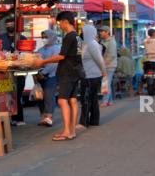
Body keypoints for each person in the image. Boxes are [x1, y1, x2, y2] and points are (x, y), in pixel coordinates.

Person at [35, 11, 84, 141]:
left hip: (67, 73)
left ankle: (67, 131)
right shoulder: (78, 37)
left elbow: (61, 56)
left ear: (65, 21)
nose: (60, 26)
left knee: (62, 101)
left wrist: (43, 61)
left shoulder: (69, 36)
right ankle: (72, 131)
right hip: (75, 72)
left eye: (60, 23)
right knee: (73, 101)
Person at [0, 17, 27, 126]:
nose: (9, 26)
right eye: (7, 24)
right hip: (5, 72)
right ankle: (7, 118)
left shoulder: (22, 38)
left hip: (19, 72)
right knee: (6, 95)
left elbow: (27, 54)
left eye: (11, 24)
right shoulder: (0, 38)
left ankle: (19, 118)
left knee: (17, 95)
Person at [80, 25, 107, 127]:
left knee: (86, 98)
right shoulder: (86, 43)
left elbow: (99, 60)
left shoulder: (91, 44)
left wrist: (104, 72)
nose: (82, 33)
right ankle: (94, 121)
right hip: (90, 75)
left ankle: (84, 121)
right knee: (92, 98)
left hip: (90, 75)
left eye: (83, 31)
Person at [36, 30, 61, 127]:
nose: (44, 39)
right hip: (40, 76)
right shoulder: (40, 50)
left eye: (46, 37)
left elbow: (54, 63)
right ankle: (43, 116)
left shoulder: (57, 48)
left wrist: (43, 72)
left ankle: (49, 117)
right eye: (42, 37)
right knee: (40, 97)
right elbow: (36, 62)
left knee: (49, 96)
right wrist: (37, 74)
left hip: (51, 75)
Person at [99, 26, 117, 107]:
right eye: (100, 31)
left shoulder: (111, 42)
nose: (100, 33)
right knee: (107, 83)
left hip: (109, 65)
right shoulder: (104, 41)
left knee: (106, 83)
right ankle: (110, 101)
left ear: (107, 32)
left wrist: (103, 64)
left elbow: (111, 55)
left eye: (102, 31)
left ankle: (105, 101)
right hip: (106, 65)